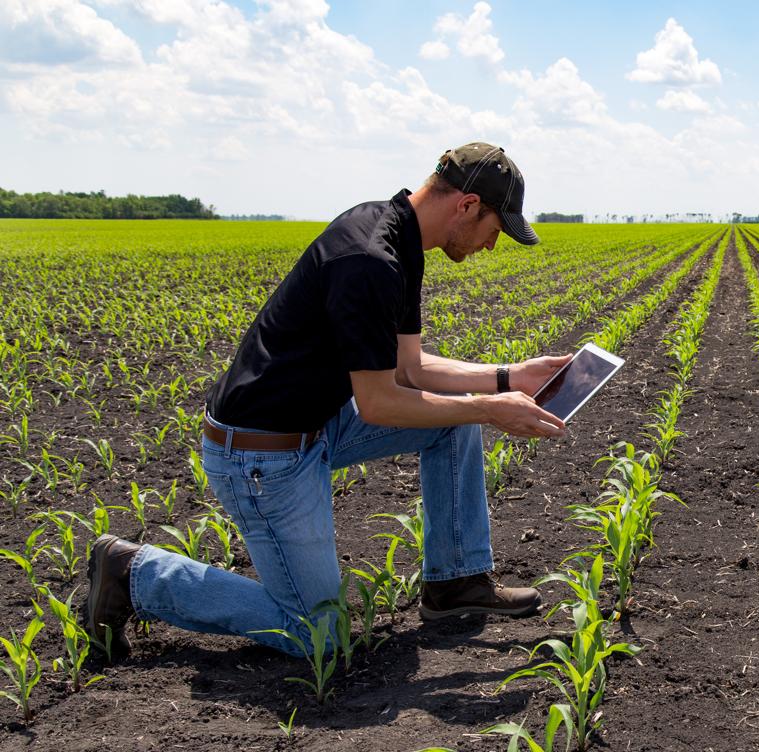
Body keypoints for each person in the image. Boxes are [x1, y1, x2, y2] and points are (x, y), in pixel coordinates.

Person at [81, 142, 570, 660]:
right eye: (495, 230)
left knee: (454, 425)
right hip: (261, 456)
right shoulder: (370, 260)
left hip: (315, 424)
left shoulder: (398, 236)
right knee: (319, 635)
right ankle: (134, 574)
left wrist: (509, 376)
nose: (491, 246)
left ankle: (455, 583)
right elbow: (381, 404)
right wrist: (491, 408)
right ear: (467, 206)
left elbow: (411, 368)